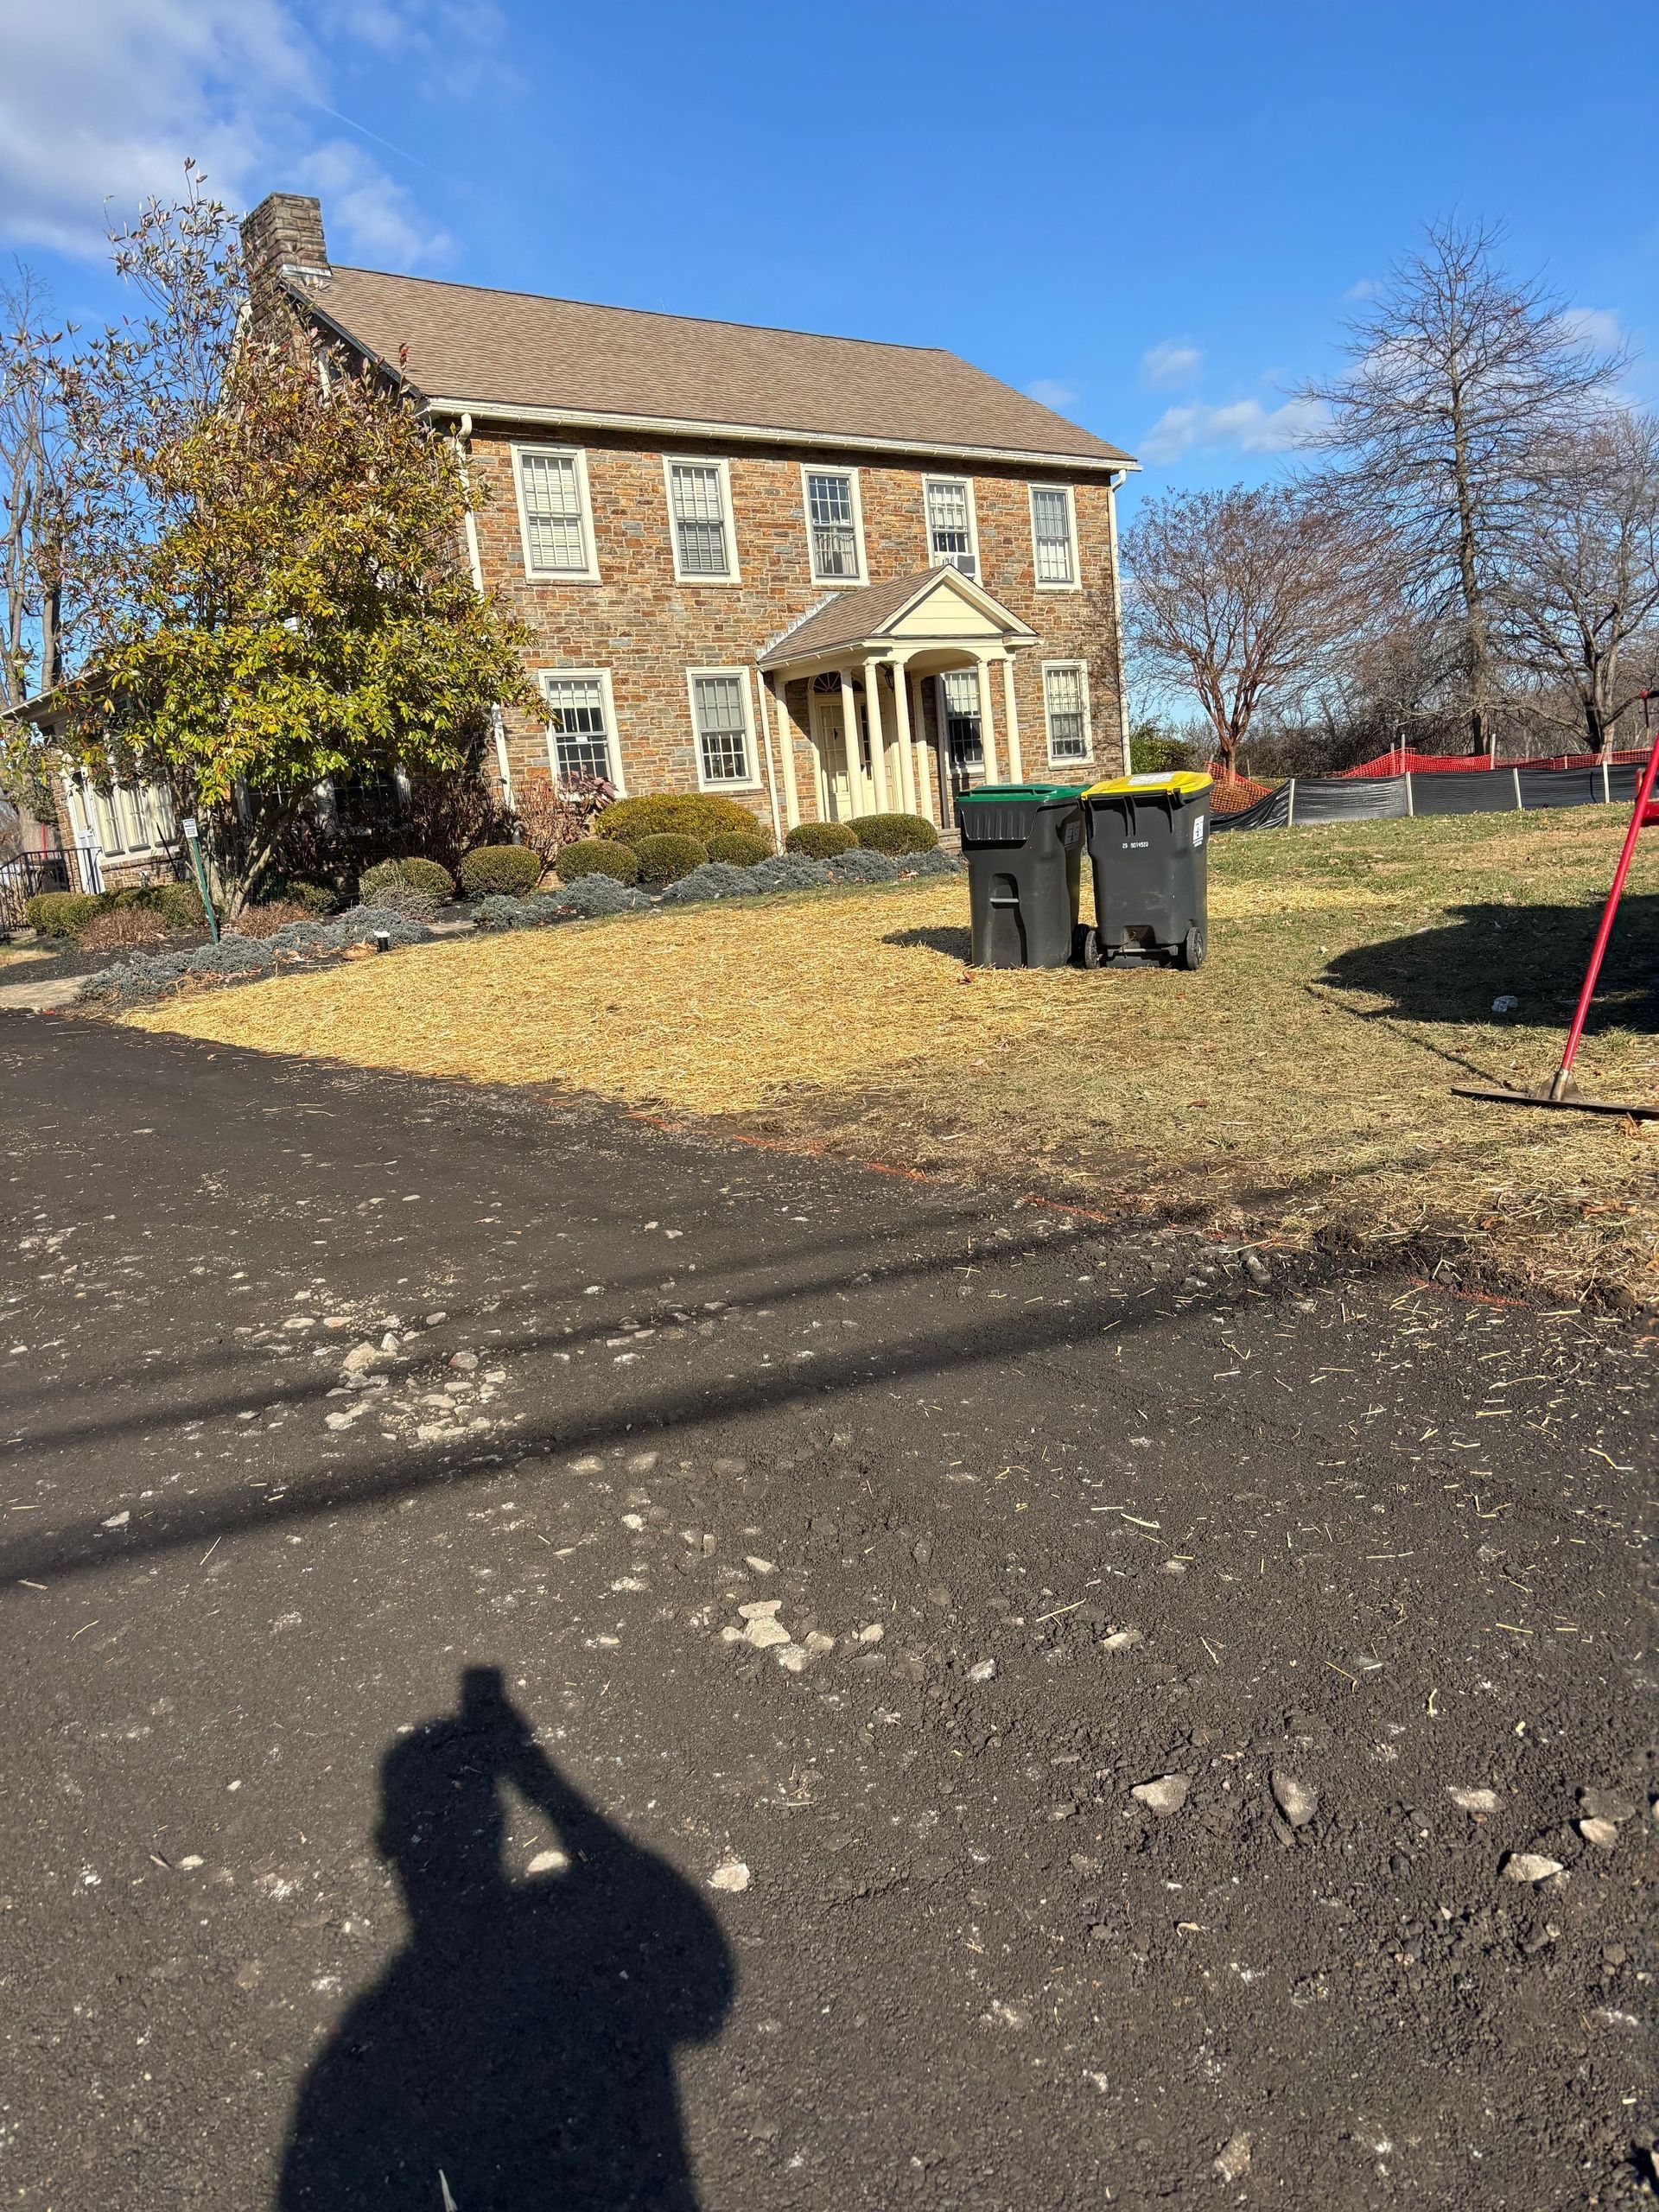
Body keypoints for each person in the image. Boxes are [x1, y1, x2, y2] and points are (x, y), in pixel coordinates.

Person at [279, 1668, 733, 2209]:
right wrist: (538, 1779)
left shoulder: (375, 2031)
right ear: (498, 1824)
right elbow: (700, 1987)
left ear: (388, 1844)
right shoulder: (386, 2021)